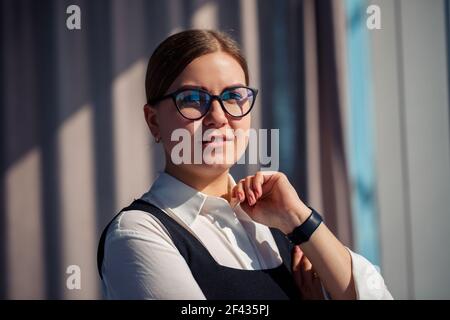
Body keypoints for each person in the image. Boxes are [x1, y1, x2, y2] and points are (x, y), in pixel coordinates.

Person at [97, 29, 392, 300]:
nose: (218, 117)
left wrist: (299, 218)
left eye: (234, 96)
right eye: (191, 99)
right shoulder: (137, 233)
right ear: (153, 121)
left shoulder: (281, 223)